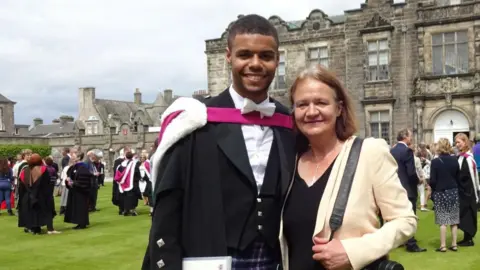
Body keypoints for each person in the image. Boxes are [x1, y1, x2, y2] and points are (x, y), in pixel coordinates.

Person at [142, 14, 295, 270]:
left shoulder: (288, 124)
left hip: (274, 261)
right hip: (209, 259)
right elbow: (168, 207)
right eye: (245, 55)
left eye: (266, 56)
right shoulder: (195, 121)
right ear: (229, 56)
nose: (255, 64)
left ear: (277, 60)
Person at [279, 65, 416, 270]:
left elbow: (405, 220)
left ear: (339, 108)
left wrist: (354, 252)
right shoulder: (291, 161)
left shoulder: (369, 153)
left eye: (321, 102)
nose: (311, 111)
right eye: (302, 104)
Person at [390, 129, 427, 252]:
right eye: (410, 136)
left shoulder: (392, 150)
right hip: (407, 188)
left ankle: (400, 240)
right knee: (410, 216)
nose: (411, 138)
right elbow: (411, 172)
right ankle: (411, 243)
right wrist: (418, 181)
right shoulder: (407, 151)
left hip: (395, 187)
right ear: (405, 137)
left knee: (398, 216)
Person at [429, 138, 460, 252]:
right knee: (453, 219)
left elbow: (432, 180)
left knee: (443, 220)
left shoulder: (435, 162)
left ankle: (443, 245)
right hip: (453, 190)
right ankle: (454, 244)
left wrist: (434, 188)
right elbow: (458, 176)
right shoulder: (455, 160)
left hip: (440, 191)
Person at [17, 154, 59, 234]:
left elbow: (21, 187)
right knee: (47, 211)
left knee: (33, 212)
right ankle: (50, 229)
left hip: (28, 195)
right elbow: (47, 184)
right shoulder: (43, 169)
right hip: (41, 195)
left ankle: (34, 228)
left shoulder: (24, 171)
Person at [454, 133, 479, 246]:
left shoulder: (468, 158)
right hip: (462, 191)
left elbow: (474, 177)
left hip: (468, 191)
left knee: (468, 214)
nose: (457, 144)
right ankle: (466, 237)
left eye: (459, 142)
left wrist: (476, 193)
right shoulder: (460, 156)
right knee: (463, 215)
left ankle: (469, 239)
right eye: (456, 142)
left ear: (465, 142)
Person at [64, 152, 92, 230]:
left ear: (79, 158)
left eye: (74, 156)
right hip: (74, 191)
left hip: (81, 192)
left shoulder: (83, 168)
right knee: (75, 207)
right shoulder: (73, 167)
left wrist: (74, 183)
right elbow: (69, 176)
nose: (72, 157)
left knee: (81, 207)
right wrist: (68, 181)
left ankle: (82, 223)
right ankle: (78, 222)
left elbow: (84, 181)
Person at [114, 151, 141, 216]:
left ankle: (125, 209)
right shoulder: (135, 164)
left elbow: (118, 174)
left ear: (125, 156)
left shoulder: (121, 164)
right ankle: (132, 210)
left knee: (124, 196)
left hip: (123, 184)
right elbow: (137, 174)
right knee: (132, 197)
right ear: (132, 156)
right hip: (132, 183)